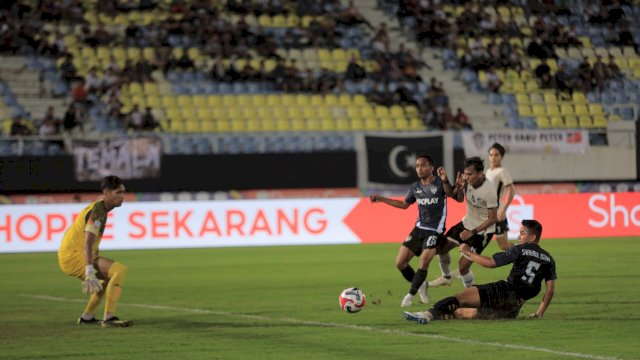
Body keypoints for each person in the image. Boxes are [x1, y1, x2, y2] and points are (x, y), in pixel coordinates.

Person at [403, 219, 556, 323]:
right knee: (464, 313)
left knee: (459, 298)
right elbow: (550, 291)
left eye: (522, 233)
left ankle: (426, 314)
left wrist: (469, 253)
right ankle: (436, 315)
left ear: (532, 237)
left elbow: (490, 263)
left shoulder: (521, 249)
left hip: (502, 292)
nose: (518, 236)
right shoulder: (549, 259)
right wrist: (539, 313)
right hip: (513, 308)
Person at [369, 154, 454, 307]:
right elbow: (404, 205)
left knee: (423, 262)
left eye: (422, 165)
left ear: (431, 168)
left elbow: (450, 193)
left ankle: (411, 294)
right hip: (419, 229)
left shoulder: (440, 183)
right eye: (417, 166)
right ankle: (421, 285)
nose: (419, 169)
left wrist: (446, 180)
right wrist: (382, 199)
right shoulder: (415, 187)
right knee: (400, 263)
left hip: (435, 231)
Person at [57, 176, 132, 327]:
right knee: (120, 270)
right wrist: (89, 270)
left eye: (123, 192)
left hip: (70, 254)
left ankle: (87, 317)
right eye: (118, 192)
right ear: (106, 192)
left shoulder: (98, 208)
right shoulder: (98, 211)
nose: (122, 196)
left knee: (104, 281)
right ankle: (109, 318)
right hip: (73, 255)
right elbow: (87, 243)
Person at [429, 156, 498, 289]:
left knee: (463, 267)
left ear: (480, 173)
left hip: (481, 232)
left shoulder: (489, 190)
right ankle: (446, 277)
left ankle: (471, 293)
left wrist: (471, 233)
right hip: (466, 224)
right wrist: (449, 182)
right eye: (465, 173)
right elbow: (457, 197)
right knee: (440, 247)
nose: (466, 177)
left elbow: (493, 218)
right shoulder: (466, 181)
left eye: (470, 174)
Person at [486, 143, 516, 251]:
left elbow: (511, 191)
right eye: (491, 155)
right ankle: (464, 268)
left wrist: (503, 210)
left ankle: (524, 253)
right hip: (486, 213)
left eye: (496, 155)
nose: (493, 157)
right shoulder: (488, 171)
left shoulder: (502, 171)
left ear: (501, 157)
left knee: (504, 246)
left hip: (497, 213)